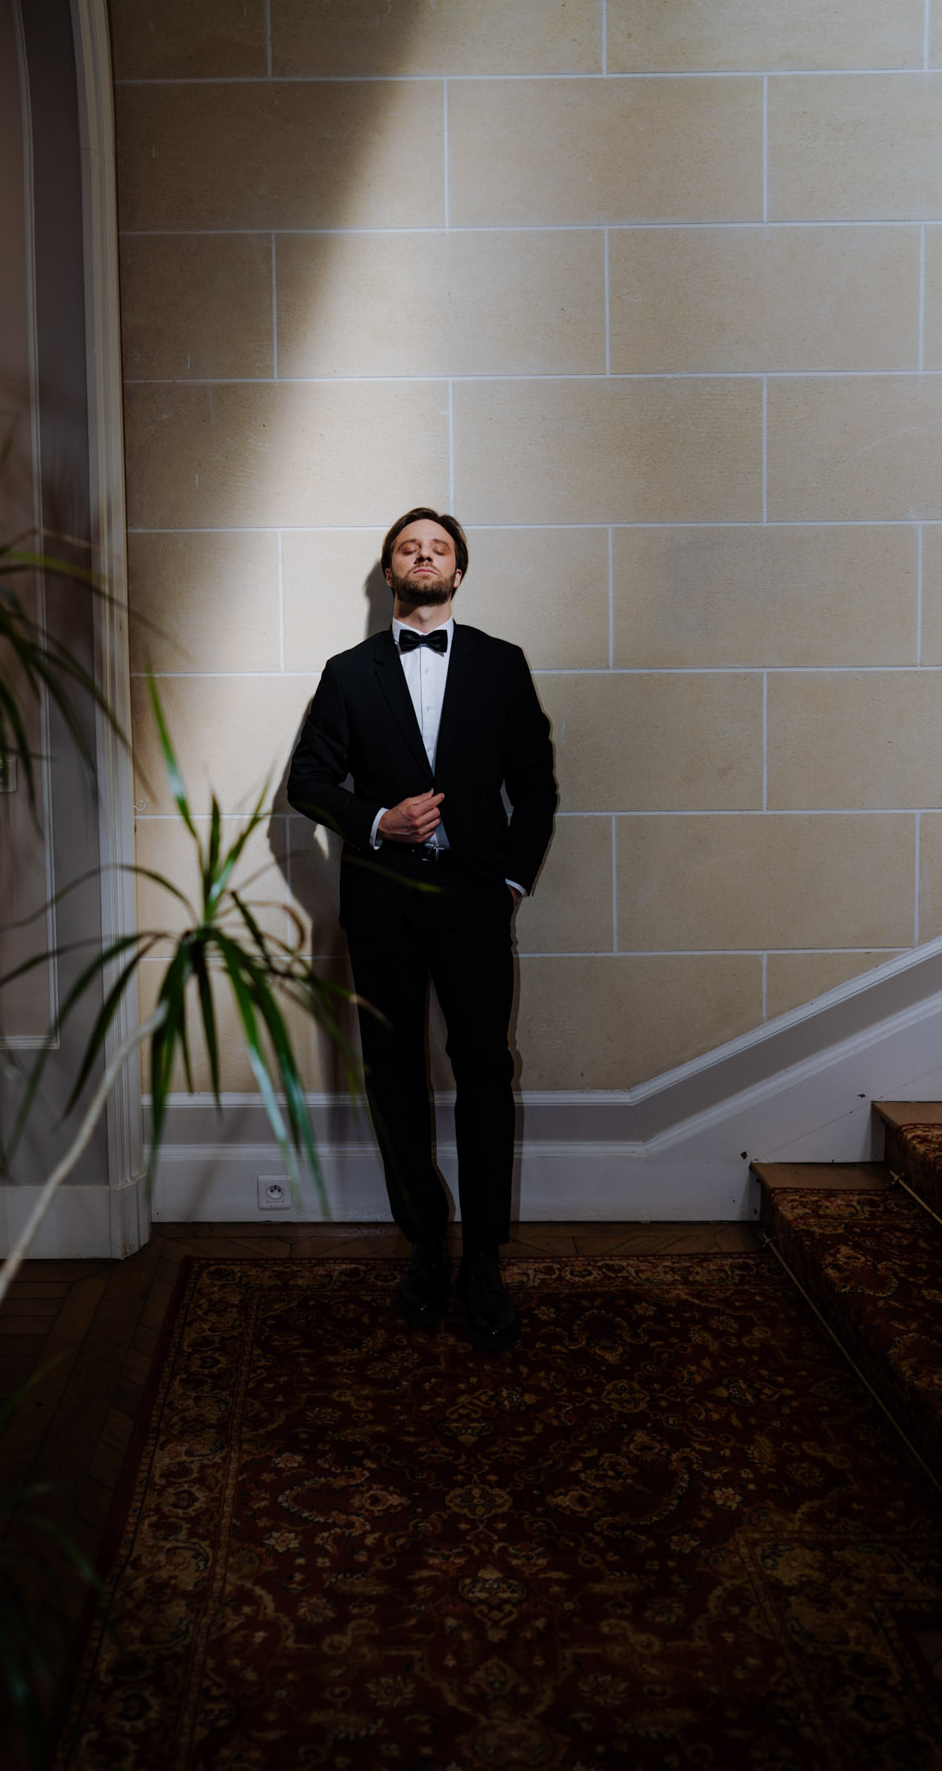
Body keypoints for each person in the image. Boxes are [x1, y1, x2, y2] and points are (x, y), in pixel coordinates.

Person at [287, 507, 557, 1351]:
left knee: (483, 1070)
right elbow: (306, 780)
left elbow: (537, 782)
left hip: (476, 902)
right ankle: (423, 1249)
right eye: (410, 548)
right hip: (382, 906)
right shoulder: (346, 672)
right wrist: (375, 821)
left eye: (438, 548)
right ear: (390, 570)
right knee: (392, 1070)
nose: (424, 557)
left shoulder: (500, 665)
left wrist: (512, 876)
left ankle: (481, 1257)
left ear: (458, 571)